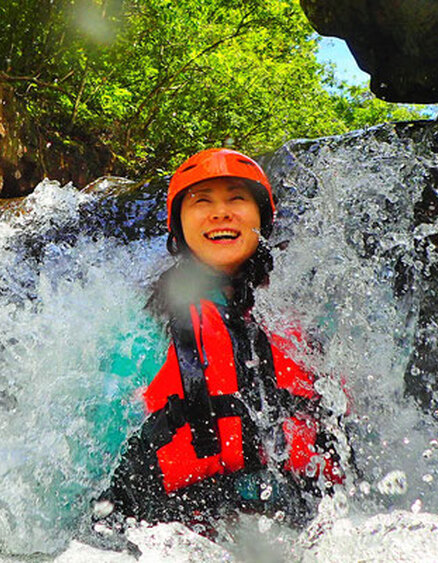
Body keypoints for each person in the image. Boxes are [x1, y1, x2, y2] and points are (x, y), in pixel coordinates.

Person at [94, 148, 346, 536]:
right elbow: (103, 441)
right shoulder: (144, 322)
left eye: (237, 198)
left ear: (263, 217)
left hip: (300, 520)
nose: (221, 213)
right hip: (173, 528)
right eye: (202, 201)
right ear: (177, 225)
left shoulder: (305, 312)